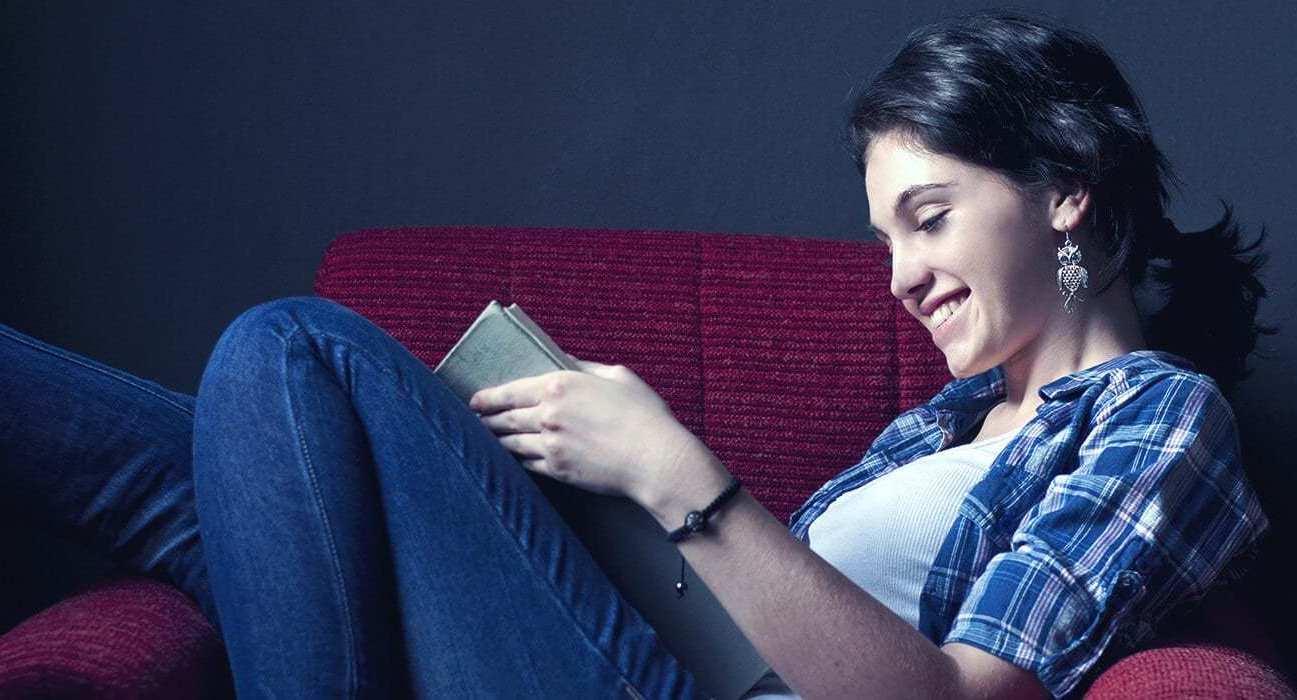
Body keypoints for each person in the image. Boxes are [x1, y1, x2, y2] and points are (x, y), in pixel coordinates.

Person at [0, 8, 1274, 699]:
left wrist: (682, 479)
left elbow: (953, 698)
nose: (899, 276)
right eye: (885, 233)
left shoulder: (1162, 420)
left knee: (294, 356)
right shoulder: (942, 422)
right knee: (230, 443)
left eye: (926, 217)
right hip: (632, 641)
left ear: (1065, 187)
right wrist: (586, 505)